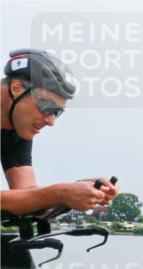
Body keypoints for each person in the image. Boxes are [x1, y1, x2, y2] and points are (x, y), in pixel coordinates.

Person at [1, 49, 117, 216]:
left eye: (57, 112)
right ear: (17, 88)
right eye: (47, 107)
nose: (51, 121)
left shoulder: (17, 125)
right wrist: (61, 192)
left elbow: (26, 194)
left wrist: (76, 191)